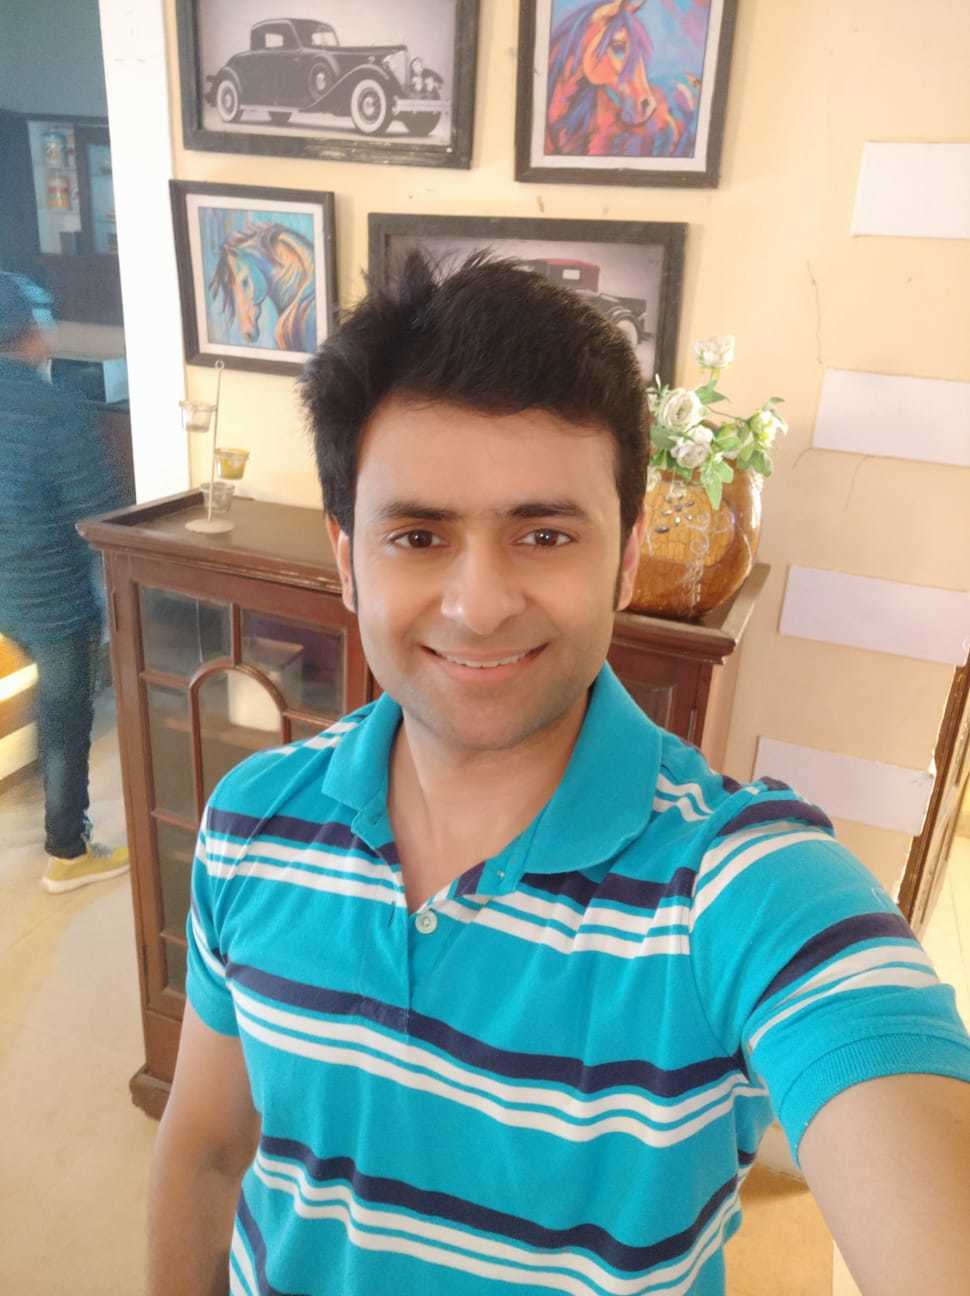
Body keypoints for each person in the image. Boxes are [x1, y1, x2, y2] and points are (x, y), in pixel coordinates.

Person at [149, 253, 970, 1296]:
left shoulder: (739, 883)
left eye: (543, 534)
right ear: (347, 561)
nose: (479, 604)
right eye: (418, 535)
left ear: (625, 557)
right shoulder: (250, 821)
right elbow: (206, 1150)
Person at [0, 272, 128, 892]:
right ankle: (68, 852)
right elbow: (98, 512)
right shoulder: (54, 409)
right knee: (64, 717)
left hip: (5, 590)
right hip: (51, 595)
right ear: (29, 329)